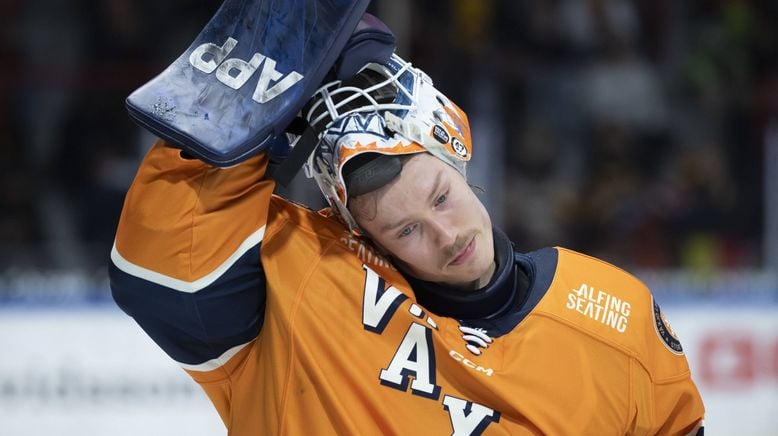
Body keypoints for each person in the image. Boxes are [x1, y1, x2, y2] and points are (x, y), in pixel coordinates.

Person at [109, 51, 705, 434]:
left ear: (460, 156)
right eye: (406, 230)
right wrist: (265, 94)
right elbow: (162, 268)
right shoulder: (304, 283)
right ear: (362, 234)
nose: (447, 237)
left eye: (441, 197)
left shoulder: (612, 316)